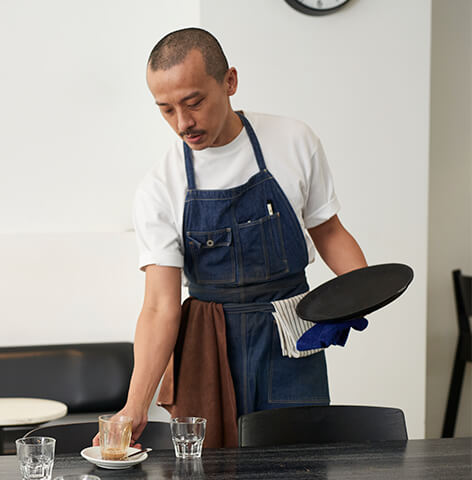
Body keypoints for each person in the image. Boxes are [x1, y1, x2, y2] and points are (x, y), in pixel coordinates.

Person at [99, 27, 368, 448]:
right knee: (207, 469)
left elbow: (328, 231)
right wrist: (135, 405)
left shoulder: (293, 140)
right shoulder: (160, 186)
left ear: (229, 82)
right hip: (208, 348)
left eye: (194, 103)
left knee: (299, 465)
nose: (183, 123)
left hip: (291, 336)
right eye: (166, 110)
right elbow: (159, 306)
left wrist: (360, 293)